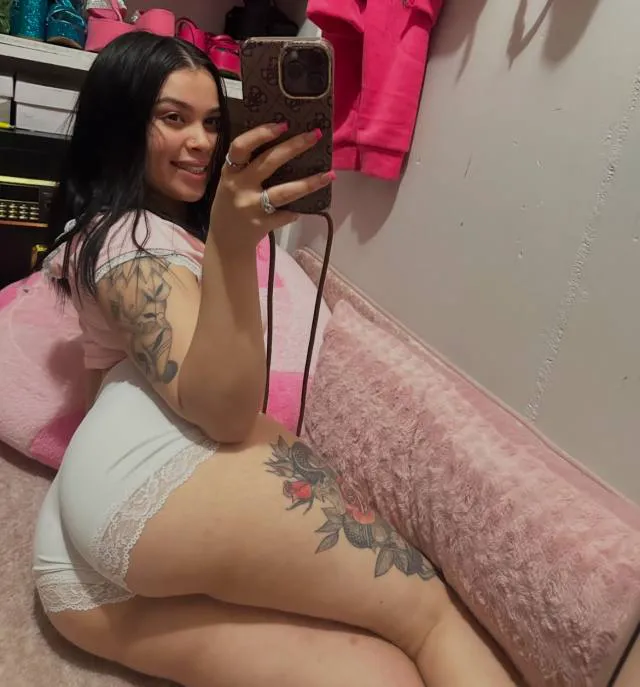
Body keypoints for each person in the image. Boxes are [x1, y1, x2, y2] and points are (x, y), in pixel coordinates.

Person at [33, 32, 517, 687]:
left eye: (213, 123)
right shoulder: (134, 240)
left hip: (74, 566)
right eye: (173, 118)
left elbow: (100, 380)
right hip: (147, 491)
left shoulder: (95, 233)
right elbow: (224, 413)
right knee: (429, 616)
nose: (202, 143)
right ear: (119, 122)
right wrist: (229, 247)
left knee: (376, 672)